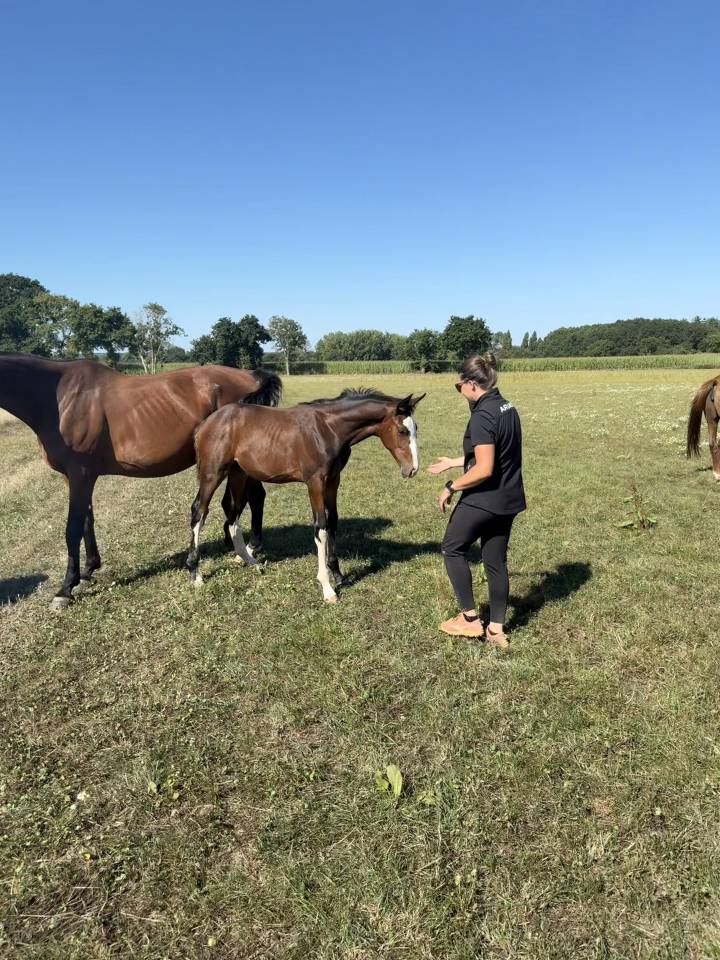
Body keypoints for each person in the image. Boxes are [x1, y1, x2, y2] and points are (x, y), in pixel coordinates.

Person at [428, 353, 526, 648]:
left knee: (452, 548)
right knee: (495, 562)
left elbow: (484, 469)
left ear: (471, 384)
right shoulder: (506, 407)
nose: (459, 392)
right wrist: (454, 462)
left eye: (459, 387)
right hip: (507, 499)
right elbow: (495, 454)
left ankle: (469, 620)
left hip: (483, 499)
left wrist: (451, 485)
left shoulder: (482, 416)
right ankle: (496, 629)